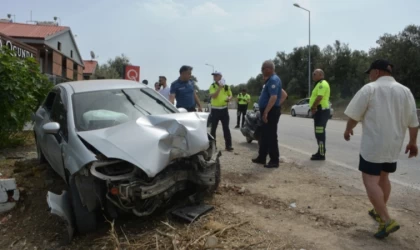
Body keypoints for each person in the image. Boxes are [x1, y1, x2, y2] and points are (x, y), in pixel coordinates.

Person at [343, 59, 419, 239]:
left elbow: (354, 115)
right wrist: (413, 142)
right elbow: (413, 122)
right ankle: (379, 210)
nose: (370, 76)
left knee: (370, 180)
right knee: (384, 177)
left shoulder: (370, 89)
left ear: (377, 72)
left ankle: (386, 220)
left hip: (374, 144)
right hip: (394, 144)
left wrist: (348, 129)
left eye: (370, 73)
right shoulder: (405, 91)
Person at [252, 61, 282, 168]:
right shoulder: (269, 80)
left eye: (263, 68)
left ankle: (274, 160)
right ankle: (262, 157)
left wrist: (266, 112)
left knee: (271, 136)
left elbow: (274, 97)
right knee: (264, 136)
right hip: (268, 110)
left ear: (268, 69)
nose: (262, 71)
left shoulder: (274, 80)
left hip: (271, 111)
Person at [309, 69, 331, 161]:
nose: (313, 75)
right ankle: (320, 152)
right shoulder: (319, 84)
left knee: (320, 134)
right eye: (313, 74)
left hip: (321, 112)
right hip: (320, 112)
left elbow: (319, 97)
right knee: (318, 134)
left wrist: (313, 107)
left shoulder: (322, 83)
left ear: (321, 75)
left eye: (314, 74)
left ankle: (321, 154)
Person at [209, 71, 233, 151]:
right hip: (215, 110)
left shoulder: (226, 86)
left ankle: (228, 145)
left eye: (216, 75)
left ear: (220, 76)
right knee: (213, 129)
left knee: (226, 128)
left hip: (224, 110)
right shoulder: (212, 86)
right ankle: (213, 146)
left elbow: (230, 95)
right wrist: (219, 87)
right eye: (213, 76)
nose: (214, 77)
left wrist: (229, 98)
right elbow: (214, 96)